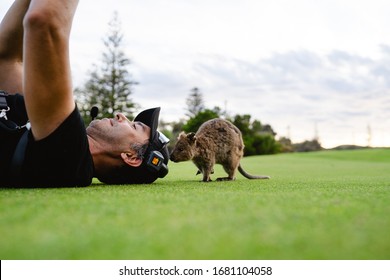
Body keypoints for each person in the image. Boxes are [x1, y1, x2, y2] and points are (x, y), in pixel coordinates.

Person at [0, 0, 169, 188]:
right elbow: (7, 59)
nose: (122, 116)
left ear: (131, 157)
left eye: (135, 126)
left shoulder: (71, 158)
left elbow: (45, 22)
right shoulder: (46, 132)